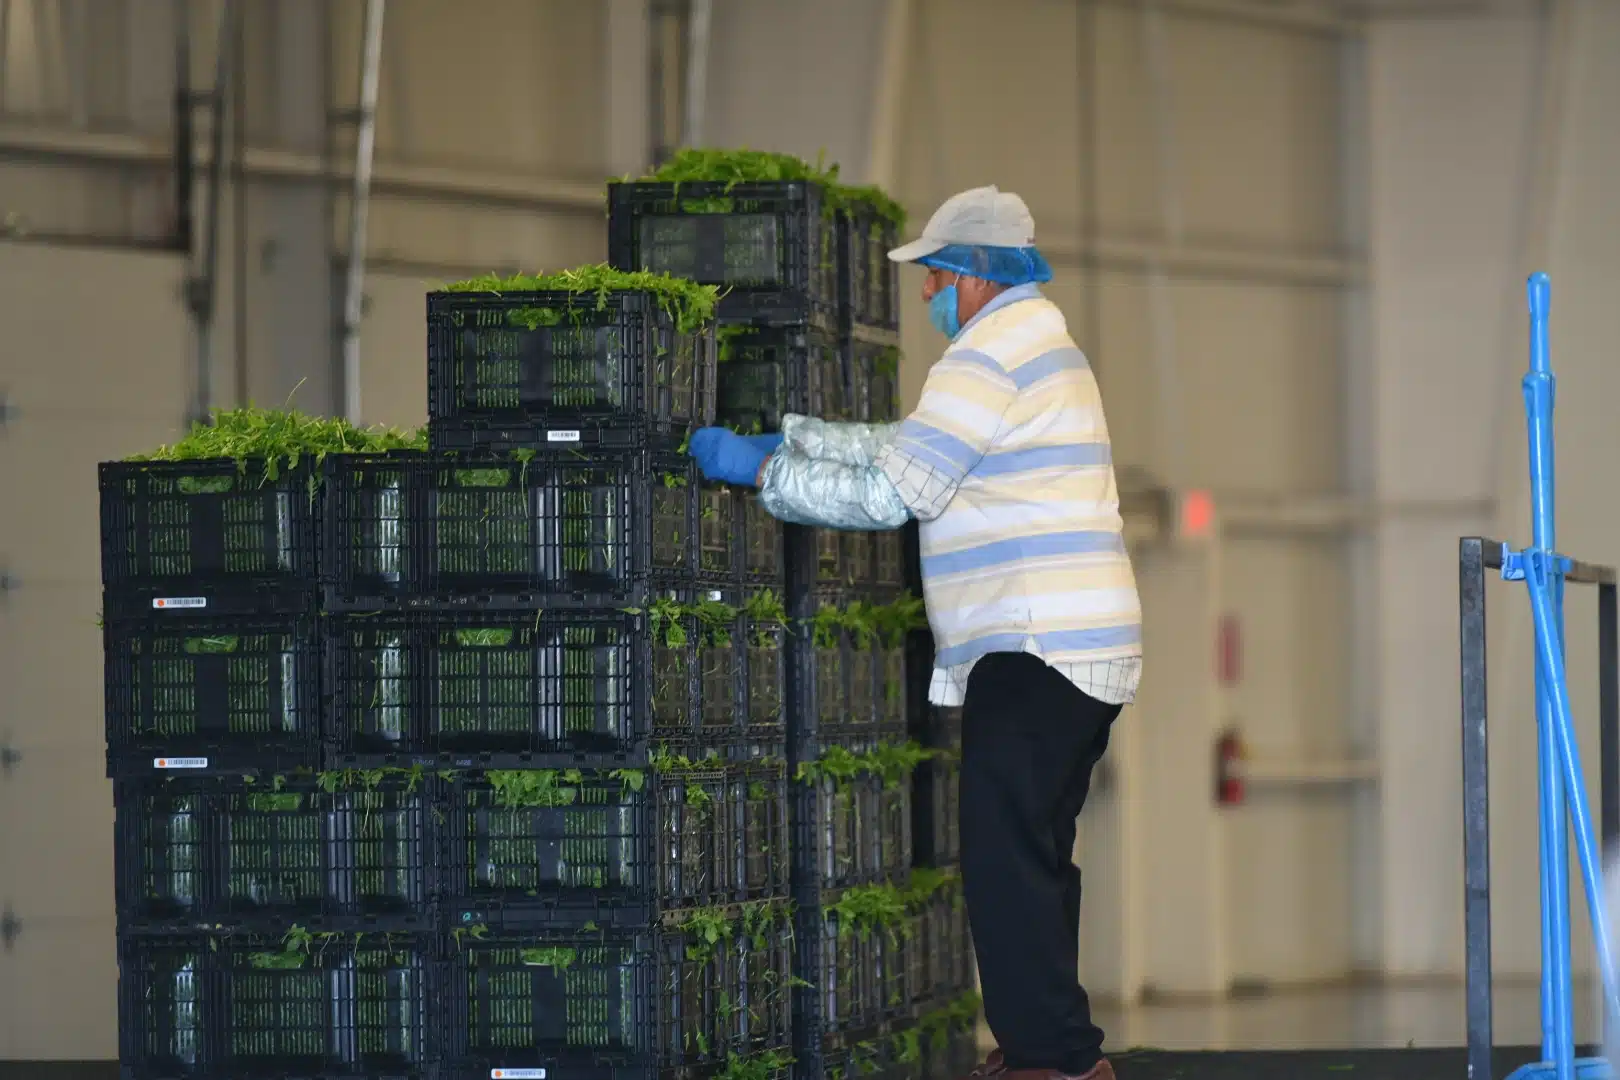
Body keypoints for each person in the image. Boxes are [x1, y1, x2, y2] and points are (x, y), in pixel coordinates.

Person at [687, 185, 1141, 1080]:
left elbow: (897, 491)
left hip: (1033, 643)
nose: (928, 293)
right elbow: (912, 446)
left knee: (1006, 860)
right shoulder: (1041, 343)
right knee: (1038, 854)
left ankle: (1050, 1062)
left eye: (934, 276)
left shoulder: (988, 355)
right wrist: (797, 438)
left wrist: (766, 475)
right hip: (1083, 647)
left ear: (972, 277)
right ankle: (1053, 1050)